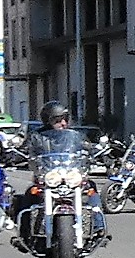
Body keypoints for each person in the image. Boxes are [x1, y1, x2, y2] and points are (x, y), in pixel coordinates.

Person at [19, 102, 108, 242]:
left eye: (65, 119)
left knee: (90, 187)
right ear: (48, 121)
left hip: (71, 175)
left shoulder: (73, 136)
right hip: (48, 176)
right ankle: (23, 234)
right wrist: (17, 154)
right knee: (30, 194)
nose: (63, 123)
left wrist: (97, 152)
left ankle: (99, 226)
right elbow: (25, 149)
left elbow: (86, 147)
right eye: (58, 120)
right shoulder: (37, 136)